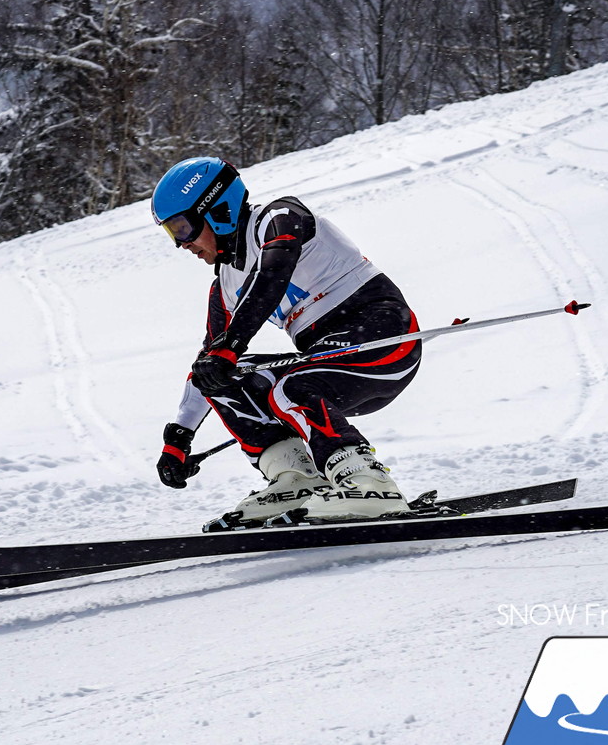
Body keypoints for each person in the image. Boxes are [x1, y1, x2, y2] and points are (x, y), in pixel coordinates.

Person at [151, 156, 423, 521]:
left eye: (182, 228)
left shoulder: (278, 217)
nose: (181, 243)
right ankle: (296, 479)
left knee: (290, 385)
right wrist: (178, 440)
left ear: (218, 210)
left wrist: (231, 346)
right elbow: (207, 368)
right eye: (172, 234)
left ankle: (368, 484)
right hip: (329, 363)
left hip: (383, 339)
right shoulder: (225, 286)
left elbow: (273, 272)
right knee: (223, 376)